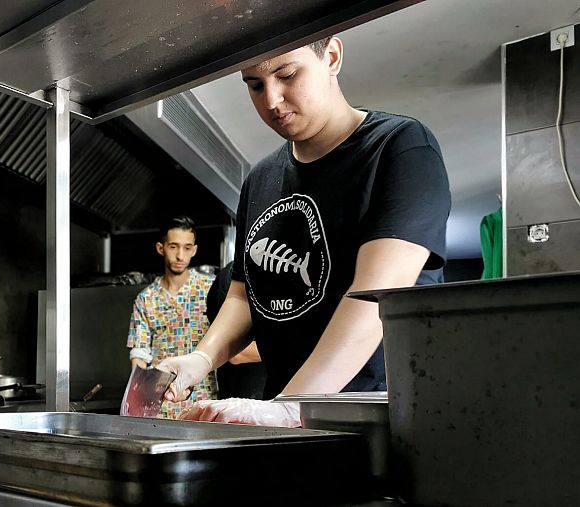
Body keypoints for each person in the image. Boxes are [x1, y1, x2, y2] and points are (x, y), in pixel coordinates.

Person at [158, 35, 451, 425]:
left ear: (332, 57)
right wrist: (202, 358)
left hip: (382, 417)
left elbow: (378, 294)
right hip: (293, 416)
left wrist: (292, 404)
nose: (271, 100)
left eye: (287, 75)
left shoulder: (399, 147)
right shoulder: (260, 179)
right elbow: (243, 297)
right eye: (255, 85)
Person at [126, 216, 217, 418]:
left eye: (187, 248)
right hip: (161, 407)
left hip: (203, 403)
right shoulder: (146, 298)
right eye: (174, 247)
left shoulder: (210, 289)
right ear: (161, 248)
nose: (180, 255)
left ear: (194, 250)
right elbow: (140, 354)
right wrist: (137, 400)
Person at [206, 261, 268, 400]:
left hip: (280, 397)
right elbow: (235, 352)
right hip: (245, 399)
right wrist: (294, 351)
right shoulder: (232, 276)